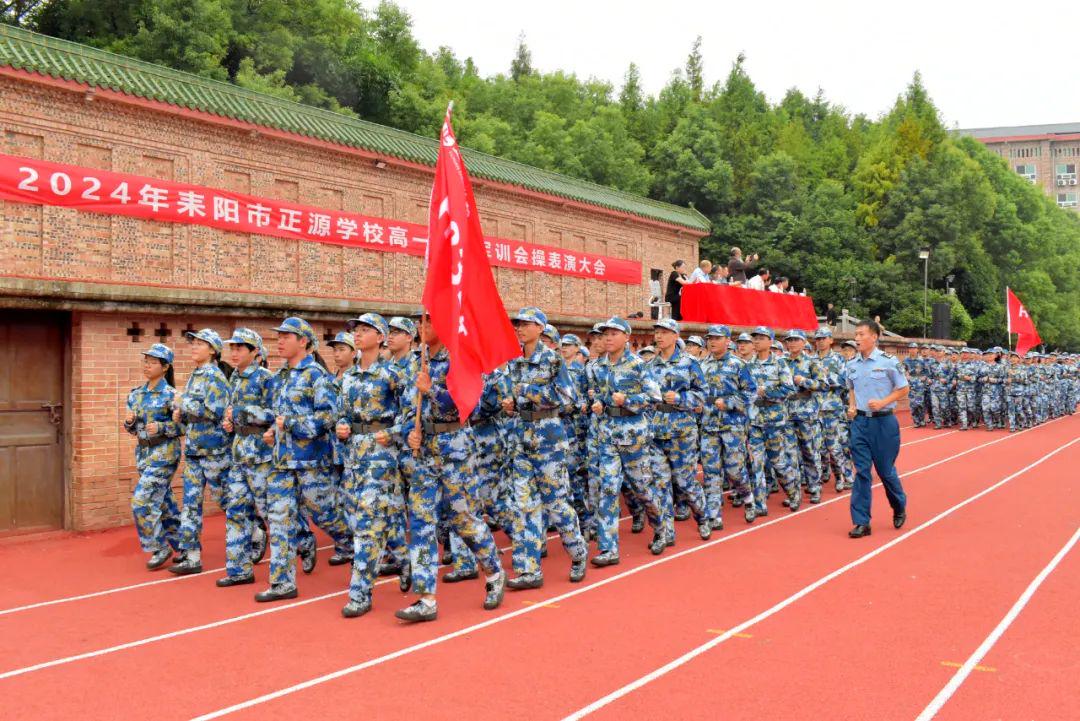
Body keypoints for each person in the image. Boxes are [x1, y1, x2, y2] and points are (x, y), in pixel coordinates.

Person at [396, 312, 507, 622]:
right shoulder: (417, 362)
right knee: (420, 523)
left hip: (455, 449)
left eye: (430, 322)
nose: (423, 327)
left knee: (463, 518)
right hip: (426, 452)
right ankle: (426, 598)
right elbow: (409, 406)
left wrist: (431, 388)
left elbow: (466, 403)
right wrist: (410, 432)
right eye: (422, 322)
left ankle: (495, 572)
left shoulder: (461, 360)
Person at [255, 317, 352, 602]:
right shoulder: (280, 377)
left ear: (304, 342)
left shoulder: (317, 376)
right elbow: (278, 415)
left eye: (287, 336)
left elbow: (328, 417)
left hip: (311, 462)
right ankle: (282, 582)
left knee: (327, 515)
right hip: (283, 462)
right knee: (280, 520)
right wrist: (274, 431)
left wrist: (293, 425)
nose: (280, 341)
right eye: (279, 336)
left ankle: (359, 544)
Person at [503, 307, 587, 588]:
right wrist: (510, 405)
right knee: (523, 505)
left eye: (527, 324)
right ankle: (528, 570)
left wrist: (528, 391)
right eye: (519, 324)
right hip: (521, 437)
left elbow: (568, 398)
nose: (521, 328)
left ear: (541, 328)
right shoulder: (513, 361)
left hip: (548, 439)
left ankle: (577, 552)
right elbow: (511, 395)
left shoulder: (552, 360)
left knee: (556, 503)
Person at [335, 313, 405, 617]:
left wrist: (391, 434)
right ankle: (405, 559)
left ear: (380, 337)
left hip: (381, 455)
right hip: (354, 456)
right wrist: (341, 426)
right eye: (356, 330)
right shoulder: (349, 376)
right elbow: (342, 412)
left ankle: (360, 592)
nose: (359, 335)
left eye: (365, 330)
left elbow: (411, 412)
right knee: (360, 515)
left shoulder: (391, 374)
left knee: (368, 523)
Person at [590, 317, 667, 566]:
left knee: (642, 489)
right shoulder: (597, 366)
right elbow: (600, 395)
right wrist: (599, 403)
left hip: (633, 436)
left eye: (613, 333)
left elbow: (654, 396)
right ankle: (608, 548)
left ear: (626, 337)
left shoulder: (637, 365)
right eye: (605, 334)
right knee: (608, 490)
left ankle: (661, 528)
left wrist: (629, 400)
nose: (608, 338)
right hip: (607, 435)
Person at [216, 329, 275, 588]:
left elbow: (274, 413)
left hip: (261, 455)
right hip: (239, 454)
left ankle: (304, 540)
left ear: (255, 352)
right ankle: (239, 569)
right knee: (235, 510)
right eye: (233, 348)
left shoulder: (266, 378)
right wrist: (229, 422)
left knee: (270, 511)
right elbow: (232, 413)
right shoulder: (234, 379)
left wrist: (242, 413)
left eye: (241, 348)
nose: (235, 352)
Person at [170, 329, 231, 575]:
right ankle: (191, 555)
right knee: (191, 503)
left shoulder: (215, 377)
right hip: (195, 450)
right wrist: (181, 415)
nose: (194, 346)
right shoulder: (196, 375)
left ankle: (255, 530)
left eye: (200, 343)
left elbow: (214, 411)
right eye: (193, 343)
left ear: (213, 350)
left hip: (214, 450)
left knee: (225, 500)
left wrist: (183, 402)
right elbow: (195, 413)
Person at [846, 320, 909, 538]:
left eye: (861, 334)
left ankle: (899, 504)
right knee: (862, 472)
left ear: (874, 337)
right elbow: (851, 388)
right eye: (856, 334)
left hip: (884, 423)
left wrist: (883, 402)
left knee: (885, 471)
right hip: (860, 424)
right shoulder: (852, 364)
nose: (857, 338)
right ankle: (862, 521)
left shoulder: (889, 362)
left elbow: (903, 389)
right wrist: (852, 405)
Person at [649, 318, 710, 542]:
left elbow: (703, 394)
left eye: (664, 332)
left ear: (676, 336)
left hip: (681, 431)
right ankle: (666, 532)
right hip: (656, 433)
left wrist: (681, 398)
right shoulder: (649, 366)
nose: (659, 336)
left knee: (685, 482)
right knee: (660, 483)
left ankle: (703, 516)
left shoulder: (689, 362)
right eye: (657, 332)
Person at [124, 343, 182, 571]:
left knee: (142, 501)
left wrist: (162, 427)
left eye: (152, 362)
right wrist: (129, 424)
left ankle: (159, 546)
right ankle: (183, 546)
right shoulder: (136, 394)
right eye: (145, 361)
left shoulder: (173, 396)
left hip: (165, 453)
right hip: (144, 454)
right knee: (164, 501)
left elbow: (184, 427)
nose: (147, 366)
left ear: (165, 367)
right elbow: (133, 429)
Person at [699, 325, 757, 526]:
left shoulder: (738, 365)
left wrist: (730, 403)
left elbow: (750, 392)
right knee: (711, 471)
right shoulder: (702, 365)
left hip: (732, 425)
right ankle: (714, 514)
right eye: (709, 338)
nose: (712, 341)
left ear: (727, 340)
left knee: (734, 470)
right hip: (708, 425)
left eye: (716, 338)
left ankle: (748, 497)